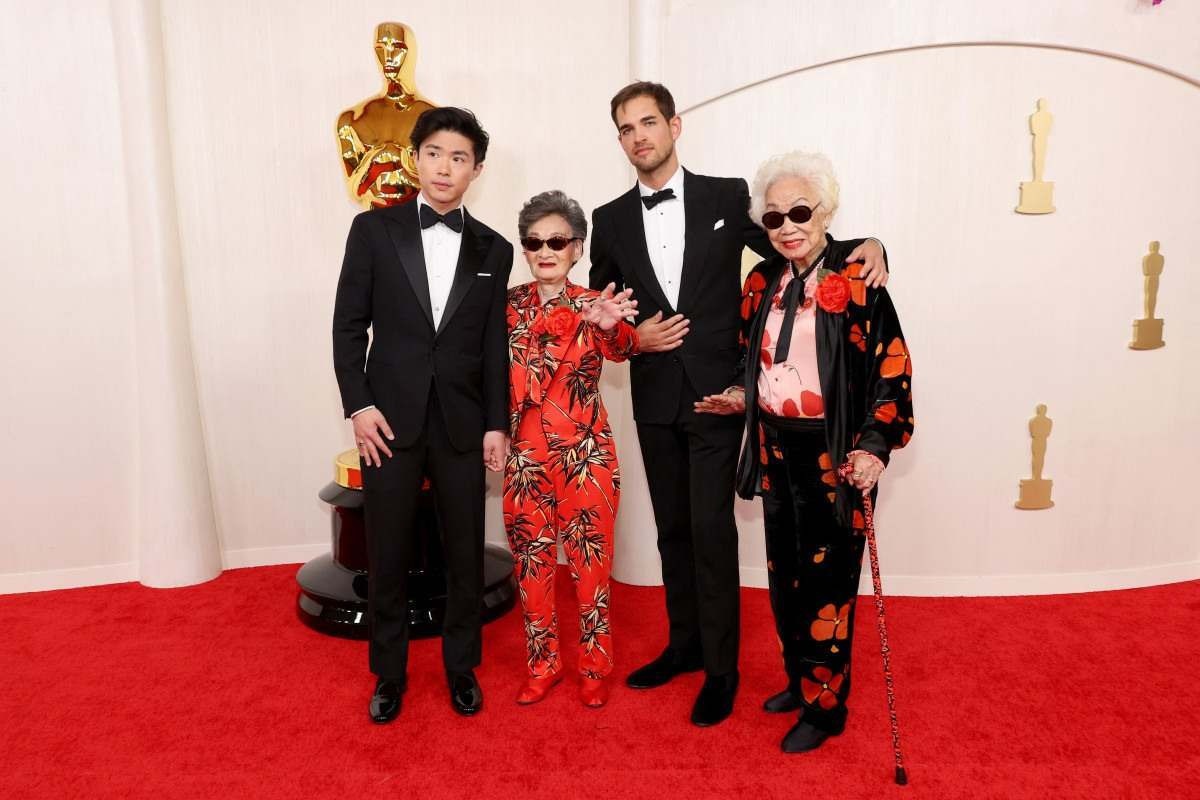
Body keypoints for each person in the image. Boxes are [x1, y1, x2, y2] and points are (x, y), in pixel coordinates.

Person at [589, 81, 888, 726]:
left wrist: (873, 246)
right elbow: (602, 315)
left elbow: (796, 240)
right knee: (673, 530)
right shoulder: (607, 219)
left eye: (648, 122)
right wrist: (628, 337)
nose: (638, 136)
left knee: (710, 529)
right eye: (625, 128)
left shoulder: (727, 197)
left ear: (675, 125)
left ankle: (722, 671)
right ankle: (686, 645)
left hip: (720, 398)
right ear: (619, 141)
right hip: (652, 396)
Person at [698, 151, 914, 752]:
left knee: (828, 584)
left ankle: (827, 706)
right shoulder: (761, 282)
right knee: (784, 576)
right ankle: (801, 678)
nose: (788, 226)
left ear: (825, 211)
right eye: (774, 218)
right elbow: (757, 356)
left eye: (799, 212)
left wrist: (875, 444)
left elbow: (890, 371)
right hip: (774, 450)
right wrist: (740, 395)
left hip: (832, 453)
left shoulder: (857, 278)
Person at [332, 107, 512, 724]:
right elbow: (349, 325)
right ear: (416, 158)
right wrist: (358, 404)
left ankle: (461, 669)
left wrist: (497, 423)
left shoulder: (495, 247)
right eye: (435, 153)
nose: (445, 166)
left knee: (465, 551)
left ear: (476, 170)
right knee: (388, 552)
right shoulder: (372, 231)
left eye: (459, 157)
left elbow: (494, 346)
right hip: (388, 421)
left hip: (463, 423)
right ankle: (388, 674)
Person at [504, 191, 638, 708]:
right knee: (532, 569)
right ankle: (543, 664)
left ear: (577, 247)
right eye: (534, 241)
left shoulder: (595, 302)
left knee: (590, 569)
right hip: (524, 460)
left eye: (557, 240)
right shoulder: (508, 305)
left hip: (586, 457)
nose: (545, 250)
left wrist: (611, 326)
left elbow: (623, 347)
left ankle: (594, 666)